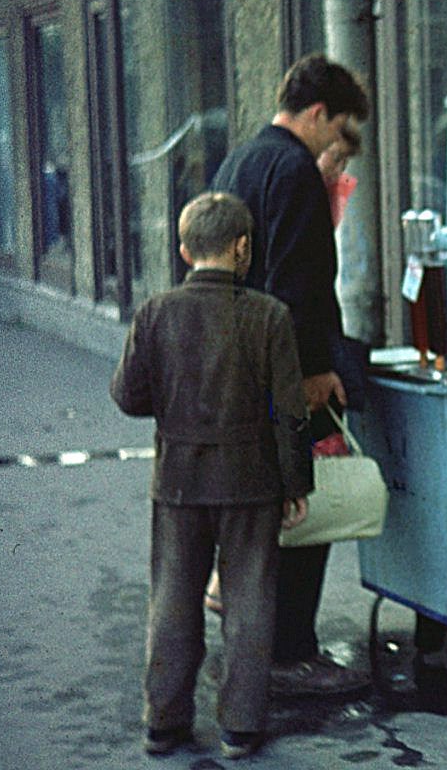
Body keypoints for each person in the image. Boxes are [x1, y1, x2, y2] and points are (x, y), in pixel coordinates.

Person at [110, 192, 312, 760]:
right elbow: (290, 410)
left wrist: (174, 409)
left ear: (183, 249)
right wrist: (296, 482)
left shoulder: (154, 312)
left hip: (177, 477)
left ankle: (164, 720)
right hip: (252, 479)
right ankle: (241, 725)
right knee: (249, 599)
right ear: (242, 248)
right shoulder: (269, 315)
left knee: (173, 596)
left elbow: (127, 395)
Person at [210, 53, 371, 696]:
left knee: (258, 517)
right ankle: (290, 653)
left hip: (234, 364)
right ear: (316, 113)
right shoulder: (296, 171)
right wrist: (312, 372)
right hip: (281, 373)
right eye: (337, 132)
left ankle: (254, 651)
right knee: (302, 508)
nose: (336, 147)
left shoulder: (238, 161)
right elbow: (301, 286)